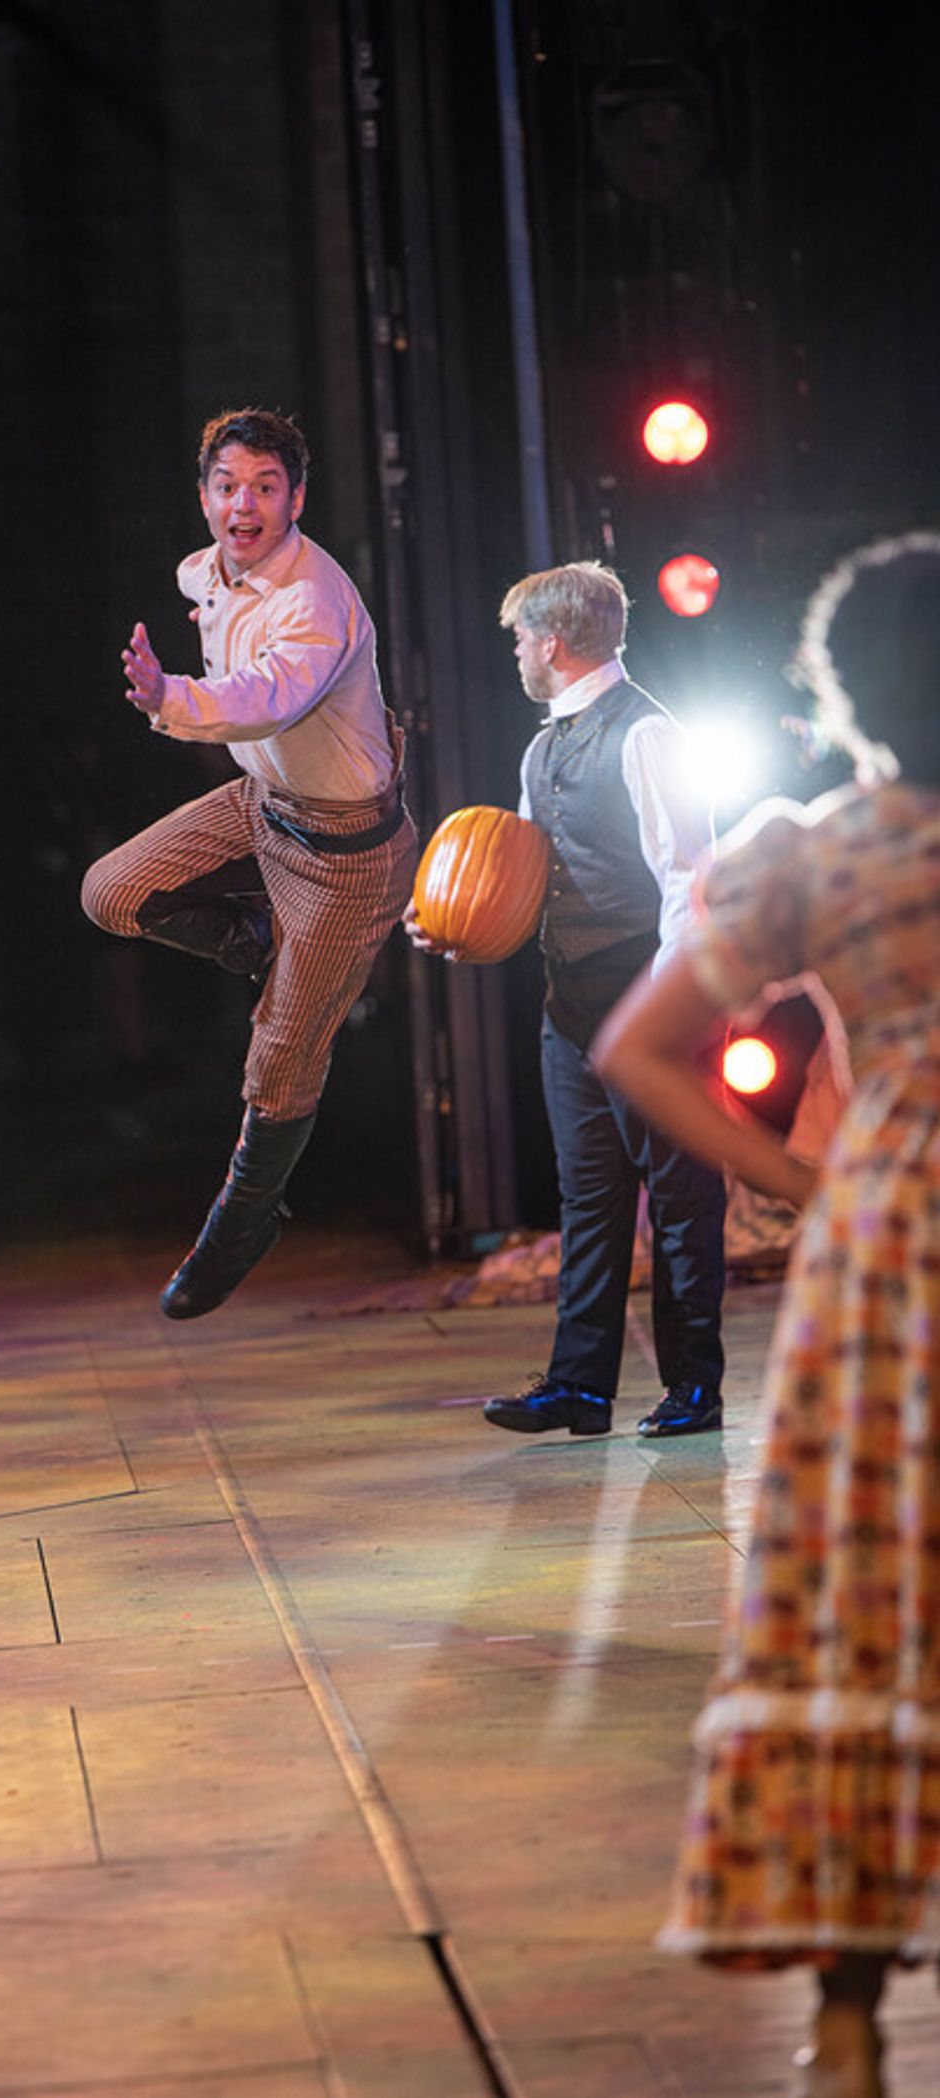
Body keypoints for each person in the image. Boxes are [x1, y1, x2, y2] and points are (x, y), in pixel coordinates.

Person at [593, 532, 940, 2098]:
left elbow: (640, 1045)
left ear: (849, 694)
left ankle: (853, 2018)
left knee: (868, 1596)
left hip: (892, 1245)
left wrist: (808, 1183)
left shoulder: (824, 852)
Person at [81, 407, 417, 1317]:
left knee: (277, 1063)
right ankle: (251, 937)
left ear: (297, 498)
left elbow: (269, 699)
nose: (245, 505)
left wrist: (170, 695)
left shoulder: (316, 598)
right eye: (228, 487)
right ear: (204, 496)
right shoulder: (209, 571)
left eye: (266, 488)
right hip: (261, 808)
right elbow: (210, 594)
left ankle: (244, 1219)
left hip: (346, 851)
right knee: (110, 892)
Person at [408, 559, 726, 1438]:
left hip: (647, 997)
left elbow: (687, 881)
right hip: (571, 1005)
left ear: (552, 641)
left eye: (519, 637)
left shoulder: (648, 734)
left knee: (680, 1197)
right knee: (588, 1200)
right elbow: (515, 877)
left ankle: (694, 1385)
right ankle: (580, 1385)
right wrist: (449, 923)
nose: (513, 652)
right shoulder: (542, 747)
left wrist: (665, 1018)